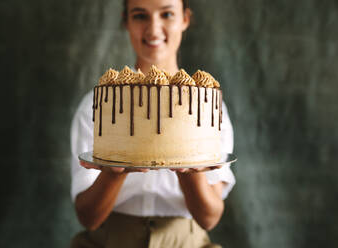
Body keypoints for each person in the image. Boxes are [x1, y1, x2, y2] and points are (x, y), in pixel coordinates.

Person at [70, 0, 235, 247]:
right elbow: (88, 217)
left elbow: (209, 218)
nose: (153, 29)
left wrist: (188, 168)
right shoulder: (100, 105)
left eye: (167, 14)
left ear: (185, 19)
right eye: (140, 16)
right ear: (126, 21)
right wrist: (114, 173)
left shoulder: (207, 105)